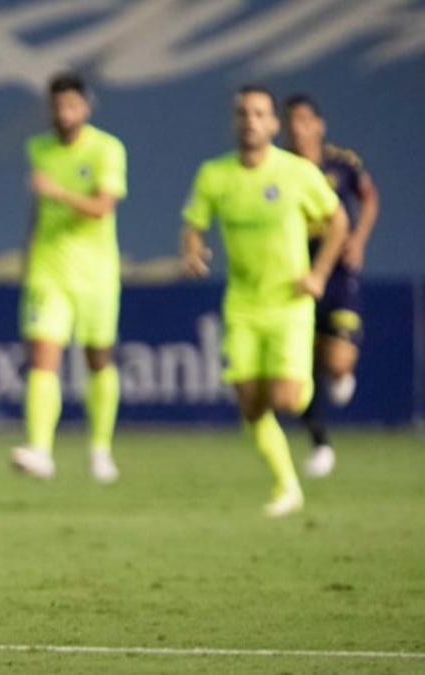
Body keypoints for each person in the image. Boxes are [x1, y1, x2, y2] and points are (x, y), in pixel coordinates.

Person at [181, 85, 348, 518]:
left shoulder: (296, 173)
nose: (250, 121)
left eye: (259, 114)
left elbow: (338, 222)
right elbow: (194, 224)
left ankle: (306, 381)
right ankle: (286, 485)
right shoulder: (214, 175)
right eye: (243, 114)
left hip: (289, 303)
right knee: (251, 403)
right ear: (235, 122)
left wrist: (319, 274)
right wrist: (193, 251)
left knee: (288, 400)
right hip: (243, 303)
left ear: (273, 124)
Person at [11, 72, 127, 485]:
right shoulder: (38, 147)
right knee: (43, 357)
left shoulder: (107, 149)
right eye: (57, 106)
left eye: (71, 105)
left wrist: (57, 192)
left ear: (86, 108)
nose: (63, 113)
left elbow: (102, 207)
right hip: (49, 270)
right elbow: (38, 212)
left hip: (96, 273)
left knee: (98, 358)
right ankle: (41, 450)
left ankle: (100, 449)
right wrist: (27, 256)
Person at [283, 94, 380, 478]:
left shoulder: (343, 164)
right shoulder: (279, 168)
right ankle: (320, 442)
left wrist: (358, 239)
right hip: (296, 274)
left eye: (305, 120)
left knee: (336, 362)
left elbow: (369, 199)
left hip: (337, 273)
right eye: (291, 121)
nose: (298, 127)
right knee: (300, 368)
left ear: (319, 125)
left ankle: (340, 372)